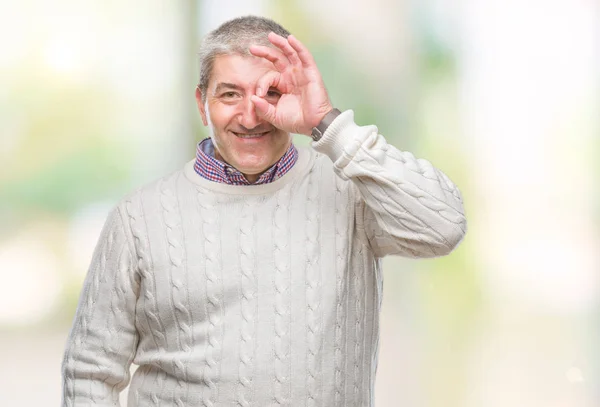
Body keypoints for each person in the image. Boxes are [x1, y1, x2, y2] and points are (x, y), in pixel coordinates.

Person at [61, 15, 467, 407]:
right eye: (230, 94)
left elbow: (443, 226)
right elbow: (90, 371)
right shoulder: (138, 218)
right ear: (203, 103)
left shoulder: (352, 192)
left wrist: (328, 123)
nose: (251, 114)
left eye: (270, 93)